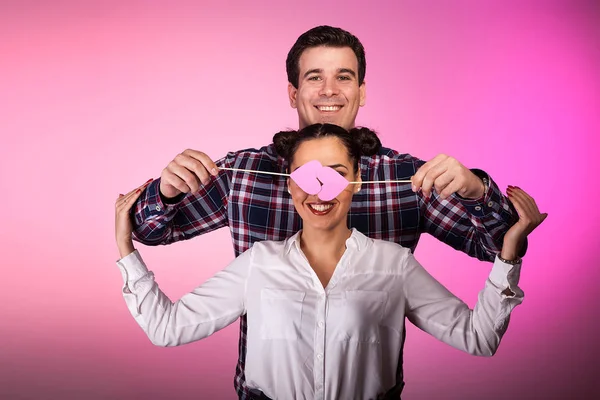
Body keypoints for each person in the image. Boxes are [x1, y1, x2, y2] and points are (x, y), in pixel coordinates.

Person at [129, 26, 523, 398]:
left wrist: (477, 192)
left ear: (362, 91)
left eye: (344, 77)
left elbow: (498, 245)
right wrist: (165, 192)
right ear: (293, 91)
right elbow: (150, 231)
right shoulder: (246, 172)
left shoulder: (406, 178)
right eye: (315, 77)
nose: (329, 90)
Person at [116, 124, 546, 399]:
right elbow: (166, 327)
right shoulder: (258, 263)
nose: (320, 190)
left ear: (357, 181)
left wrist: (508, 253)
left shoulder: (393, 264)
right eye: (307, 175)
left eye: (335, 174)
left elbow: (478, 338)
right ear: (288, 184)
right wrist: (125, 245)